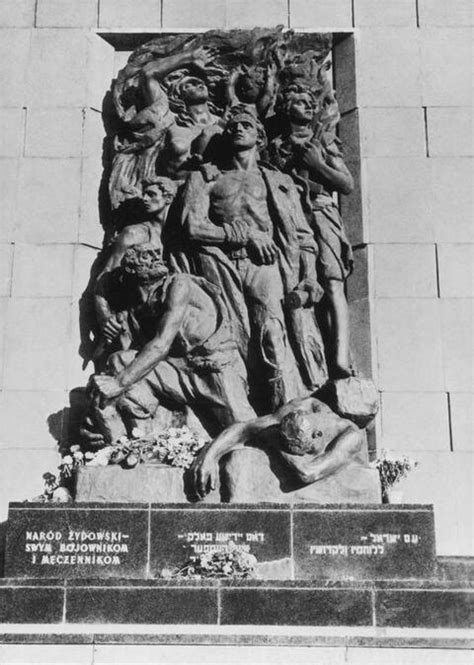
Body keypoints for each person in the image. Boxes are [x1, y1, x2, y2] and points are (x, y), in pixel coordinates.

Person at [177, 106, 326, 413]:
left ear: (259, 135)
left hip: (266, 267)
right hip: (219, 266)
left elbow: (303, 235)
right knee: (226, 342)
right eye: (232, 127)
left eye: (246, 124)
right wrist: (243, 235)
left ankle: (285, 413)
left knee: (272, 335)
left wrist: (308, 276)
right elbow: (193, 227)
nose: (238, 129)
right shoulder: (205, 178)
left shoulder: (278, 181)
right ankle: (239, 415)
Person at [89, 243, 256, 444]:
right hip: (177, 371)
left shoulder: (179, 284)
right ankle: (136, 445)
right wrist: (115, 327)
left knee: (246, 431)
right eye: (146, 256)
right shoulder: (138, 309)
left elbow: (161, 344)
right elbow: (131, 352)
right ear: (132, 269)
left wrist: (118, 383)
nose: (156, 257)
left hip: (212, 368)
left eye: (156, 253)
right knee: (119, 361)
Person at [268, 84, 354, 378]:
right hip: (290, 217)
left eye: (309, 102)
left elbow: (346, 185)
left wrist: (318, 164)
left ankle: (340, 357)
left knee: (332, 282)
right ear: (285, 107)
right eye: (299, 102)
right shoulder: (276, 145)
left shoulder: (323, 141)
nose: (307, 106)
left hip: (320, 212)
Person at [191, 391, 367, 499]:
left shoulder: (350, 437)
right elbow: (246, 428)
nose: (300, 455)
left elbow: (307, 473)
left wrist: (273, 439)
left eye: (306, 450)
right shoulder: (300, 407)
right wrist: (210, 455)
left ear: (317, 435)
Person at [94, 176, 178, 352]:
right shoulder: (134, 233)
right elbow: (106, 277)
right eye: (144, 194)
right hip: (138, 318)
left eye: (151, 194)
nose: (145, 199)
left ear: (168, 198)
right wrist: (104, 317)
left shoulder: (178, 234)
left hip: (172, 314)